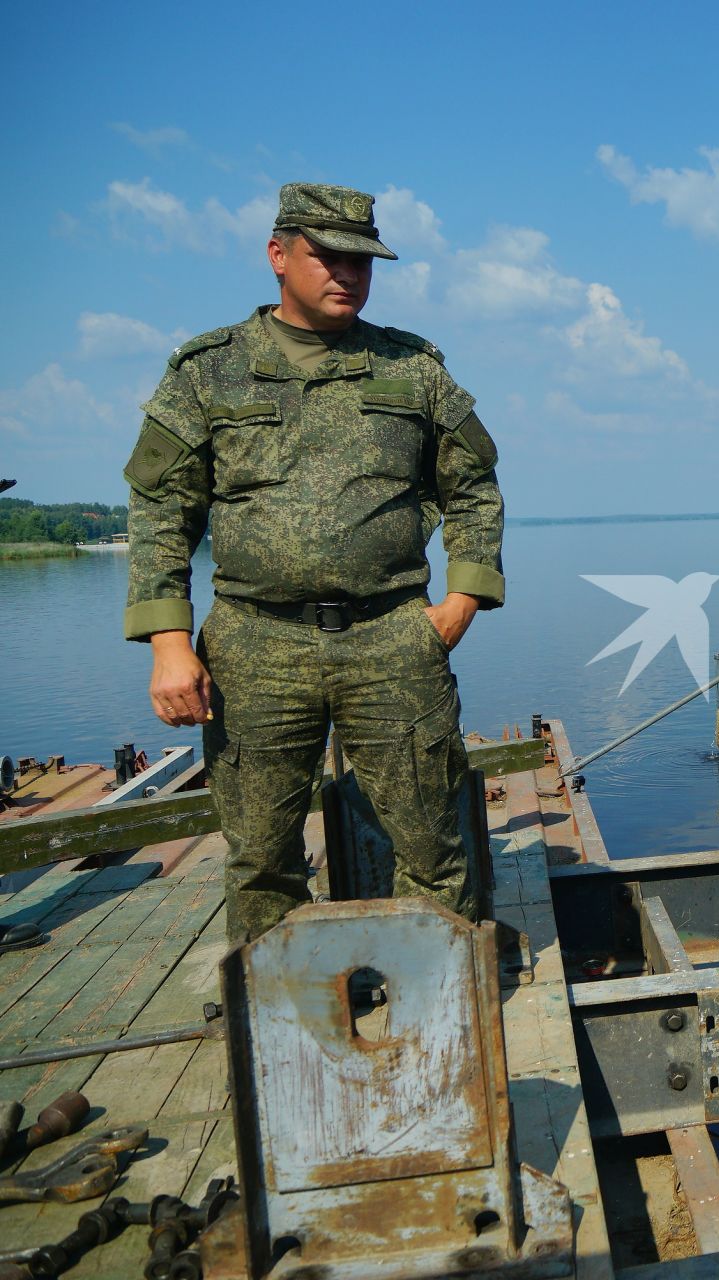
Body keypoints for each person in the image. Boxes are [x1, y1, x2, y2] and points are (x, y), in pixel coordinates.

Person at [123, 183, 505, 945]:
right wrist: (169, 642)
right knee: (262, 856)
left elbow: (474, 489)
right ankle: (284, 1015)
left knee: (432, 843)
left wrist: (462, 600)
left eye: (362, 261)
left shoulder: (413, 369)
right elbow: (161, 508)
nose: (348, 274)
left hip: (392, 636)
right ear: (278, 256)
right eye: (327, 257)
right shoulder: (208, 371)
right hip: (256, 645)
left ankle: (440, 1006)